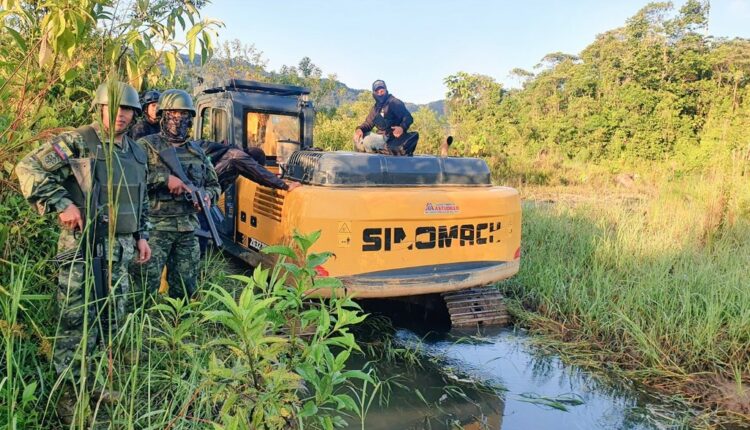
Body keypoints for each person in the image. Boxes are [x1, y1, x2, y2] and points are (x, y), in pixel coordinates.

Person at [15, 81, 151, 424]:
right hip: (83, 245)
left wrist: (141, 235)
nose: (121, 115)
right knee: (76, 321)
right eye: (115, 107)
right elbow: (27, 169)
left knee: (110, 322)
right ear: (101, 108)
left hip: (120, 249)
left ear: (135, 114)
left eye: (128, 110)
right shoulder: (78, 141)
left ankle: (94, 385)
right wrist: (63, 204)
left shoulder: (136, 152)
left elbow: (140, 199)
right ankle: (68, 395)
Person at [134, 89, 220, 300]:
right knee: (143, 287)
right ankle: (139, 328)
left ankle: (178, 326)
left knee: (186, 287)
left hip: (188, 230)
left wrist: (207, 197)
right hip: (154, 228)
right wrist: (165, 180)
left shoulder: (197, 151)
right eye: (173, 114)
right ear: (162, 116)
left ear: (191, 119)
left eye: (183, 115)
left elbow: (214, 184)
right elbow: (131, 181)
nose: (178, 119)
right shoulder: (146, 146)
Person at [199, 140, 301, 192]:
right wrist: (285, 186)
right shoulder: (238, 156)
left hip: (204, 191)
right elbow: (257, 171)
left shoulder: (232, 155)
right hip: (202, 191)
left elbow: (256, 176)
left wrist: (275, 179)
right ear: (252, 159)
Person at [353, 79, 419, 155]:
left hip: (391, 138)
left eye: (382, 91)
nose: (380, 94)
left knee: (367, 141)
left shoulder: (394, 102)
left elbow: (408, 117)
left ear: (386, 90)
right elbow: (368, 123)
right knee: (358, 138)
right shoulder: (375, 109)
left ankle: (387, 152)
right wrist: (360, 129)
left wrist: (402, 128)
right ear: (374, 93)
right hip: (380, 137)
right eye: (377, 92)